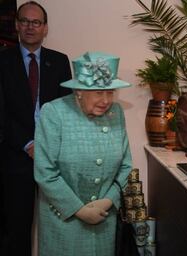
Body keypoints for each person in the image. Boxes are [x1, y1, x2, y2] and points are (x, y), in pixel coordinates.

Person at [34, 51, 133, 256]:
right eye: (98, 92)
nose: (106, 100)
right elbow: (45, 172)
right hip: (64, 222)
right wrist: (79, 210)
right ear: (79, 91)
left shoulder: (117, 114)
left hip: (104, 220)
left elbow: (126, 166)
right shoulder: (54, 113)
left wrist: (109, 200)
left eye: (110, 92)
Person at [0, 1, 72, 254]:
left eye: (36, 22)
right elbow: (2, 113)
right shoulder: (3, 61)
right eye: (25, 21)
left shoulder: (60, 61)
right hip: (16, 158)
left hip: (55, 158)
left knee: (60, 223)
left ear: (45, 28)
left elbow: (67, 110)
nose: (30, 27)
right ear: (17, 25)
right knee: (17, 228)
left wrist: (50, 146)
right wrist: (29, 144)